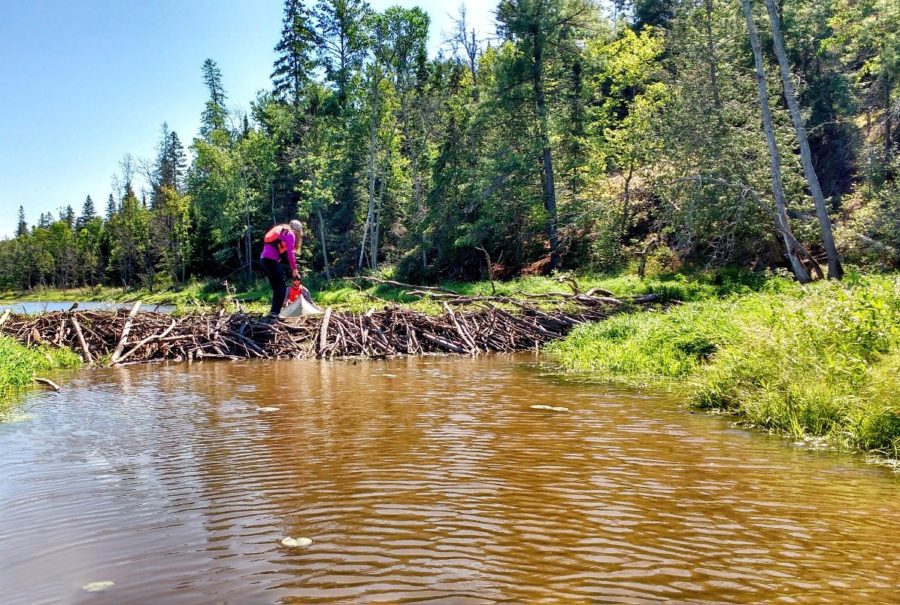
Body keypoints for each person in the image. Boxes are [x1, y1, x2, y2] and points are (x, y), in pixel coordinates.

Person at [260, 219, 303, 316]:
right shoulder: (290, 233)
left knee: (276, 287)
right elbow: (290, 254)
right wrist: (294, 269)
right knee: (281, 288)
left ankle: (273, 313)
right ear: (297, 229)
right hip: (271, 261)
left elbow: (272, 249)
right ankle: (275, 313)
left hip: (263, 260)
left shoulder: (282, 232)